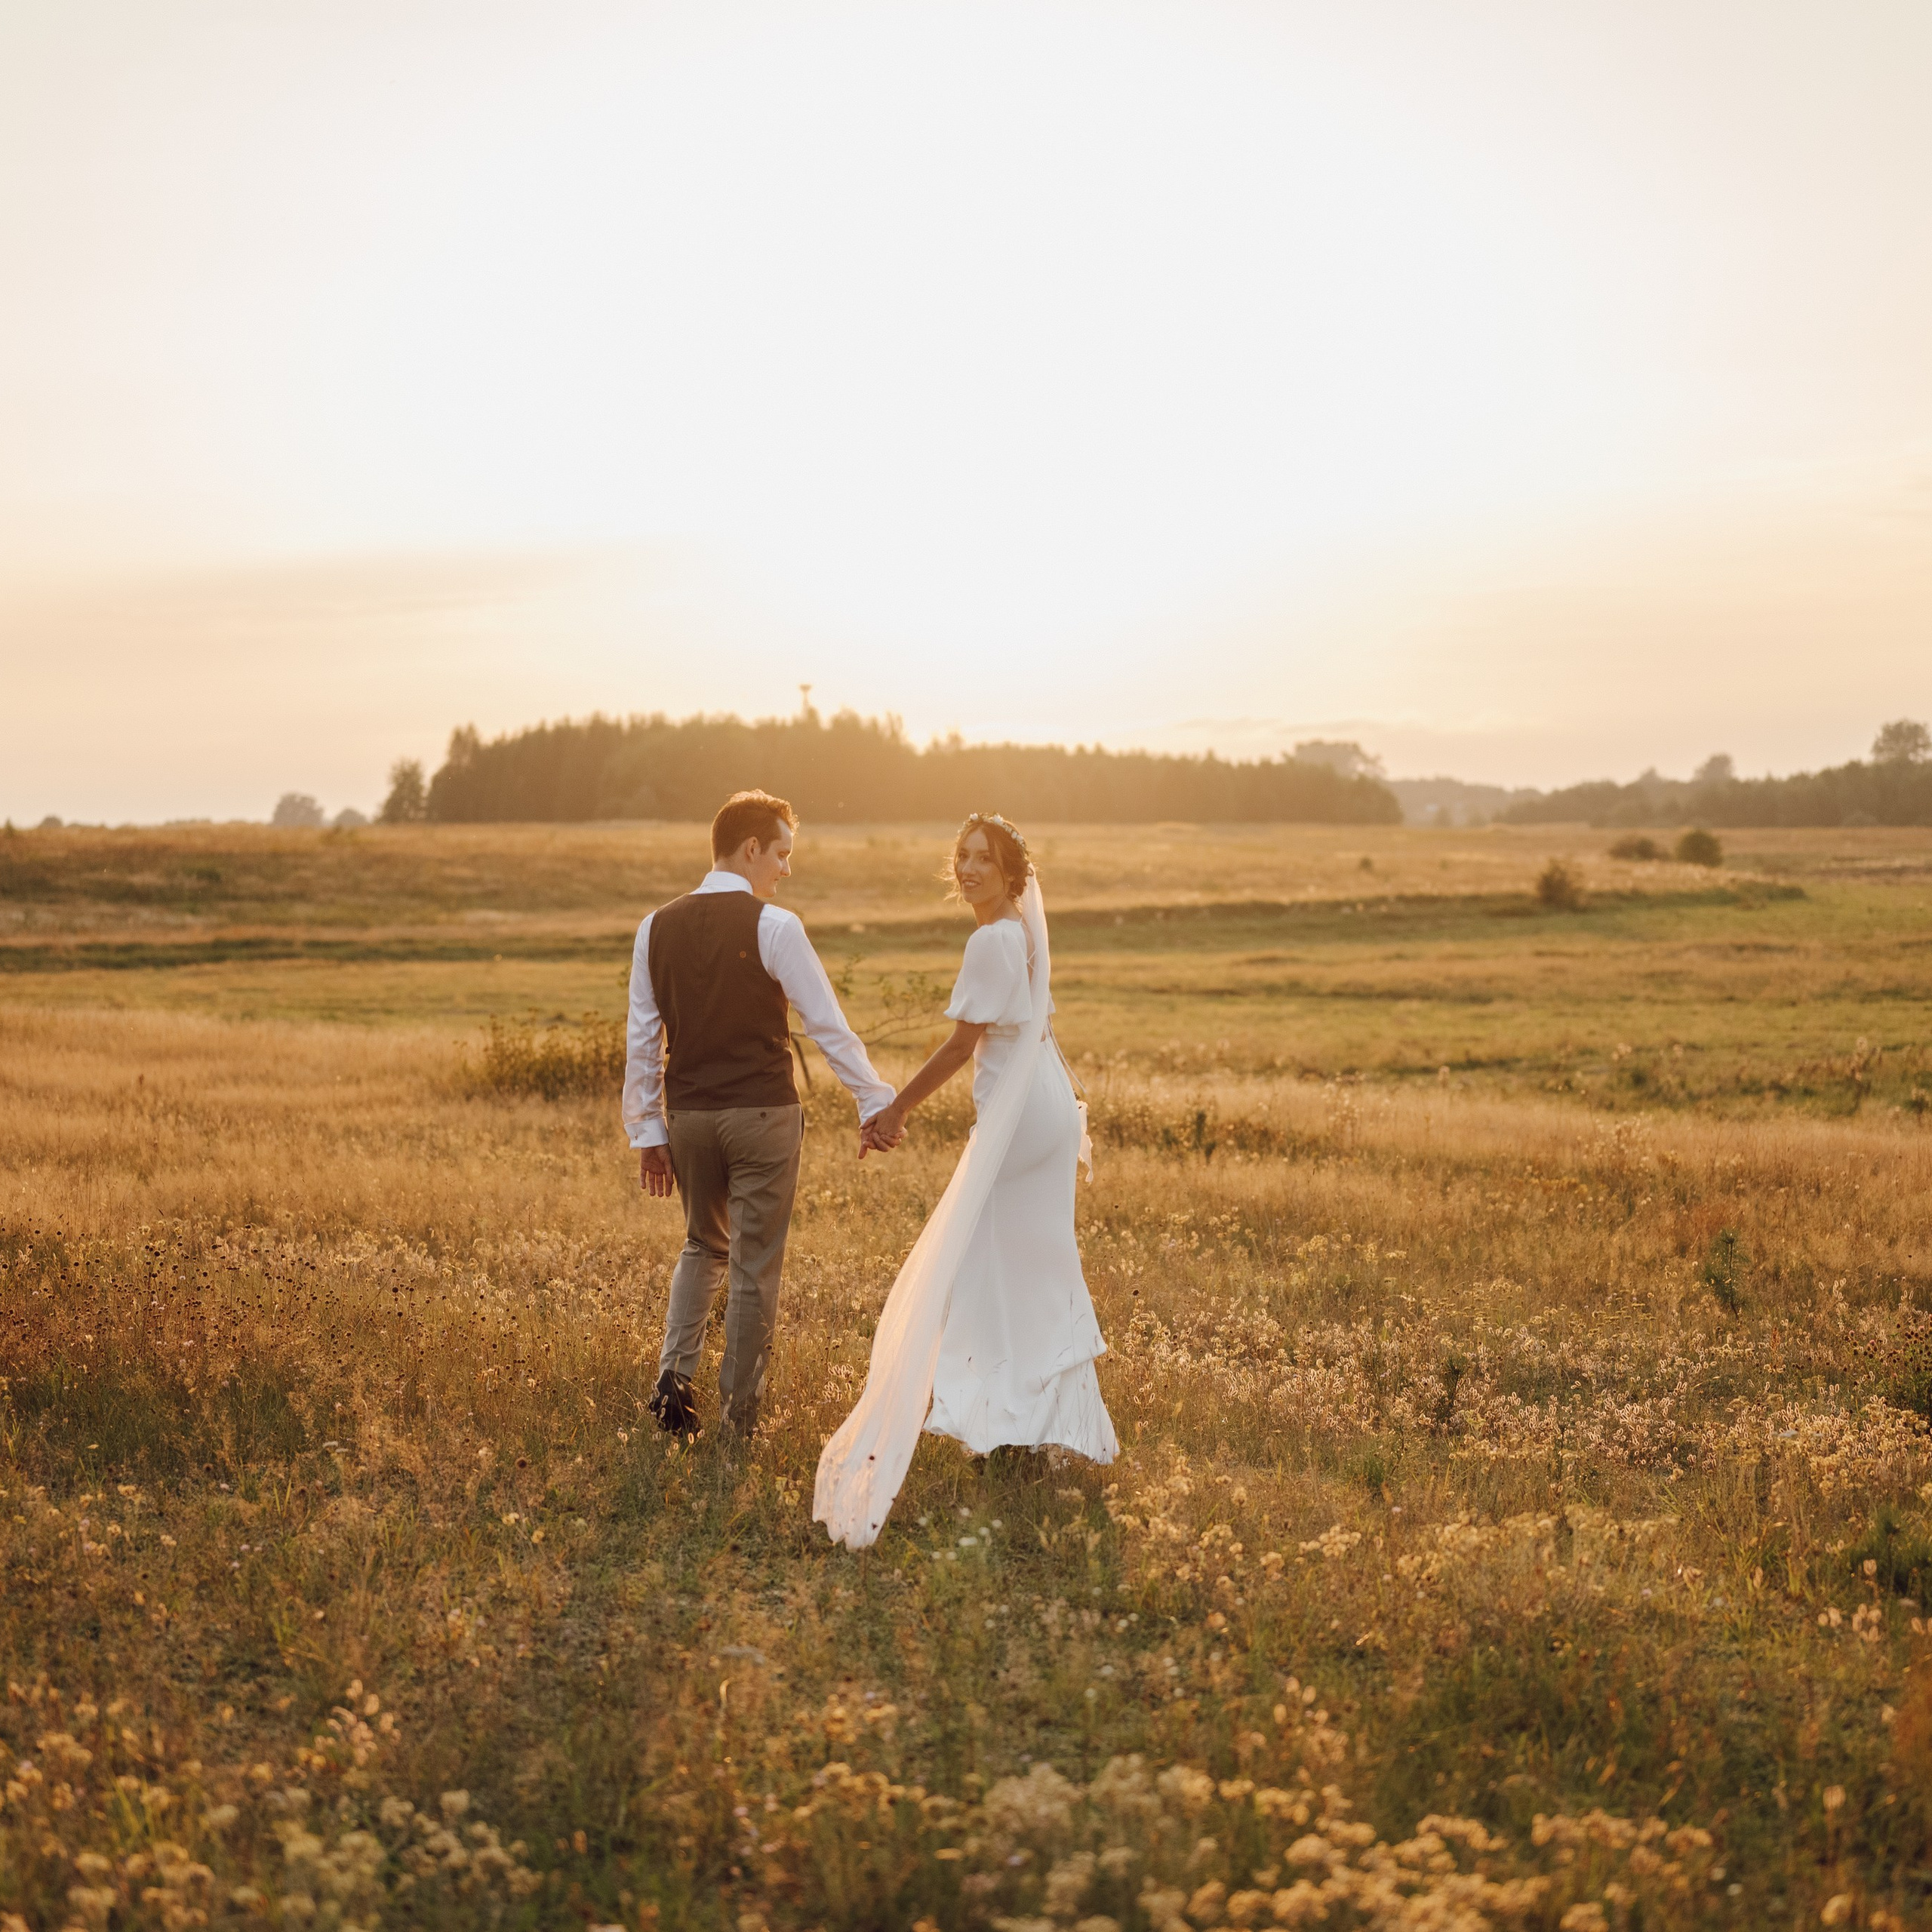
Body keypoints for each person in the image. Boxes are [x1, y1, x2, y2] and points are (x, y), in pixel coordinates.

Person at [814, 813, 1116, 1549]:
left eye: (984, 858)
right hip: (1040, 1110)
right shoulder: (1022, 932)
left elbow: (960, 1045)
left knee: (983, 1268)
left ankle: (1006, 1429)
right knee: (1028, 1267)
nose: (968, 867)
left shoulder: (992, 939)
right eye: (961, 855)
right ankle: (1024, 1429)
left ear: (1014, 874)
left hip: (1018, 1122)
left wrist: (893, 1110)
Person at [625, 789, 897, 1438]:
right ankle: (738, 1416)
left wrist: (647, 1129)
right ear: (752, 849)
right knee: (752, 1265)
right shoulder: (776, 926)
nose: (786, 868)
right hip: (762, 1117)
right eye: (782, 853)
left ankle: (674, 1378)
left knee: (701, 1244)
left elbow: (642, 1037)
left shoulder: (654, 925)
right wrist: (874, 1098)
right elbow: (826, 1025)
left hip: (688, 1117)